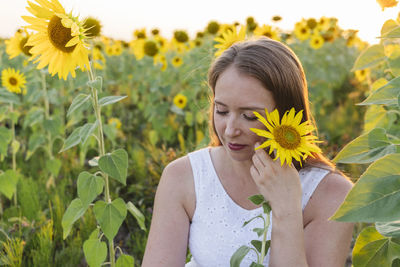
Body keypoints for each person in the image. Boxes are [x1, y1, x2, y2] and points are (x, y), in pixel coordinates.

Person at [141, 37, 354, 267]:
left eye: (250, 116)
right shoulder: (184, 177)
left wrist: (286, 211)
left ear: (286, 115)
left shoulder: (331, 194)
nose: (230, 130)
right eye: (221, 111)